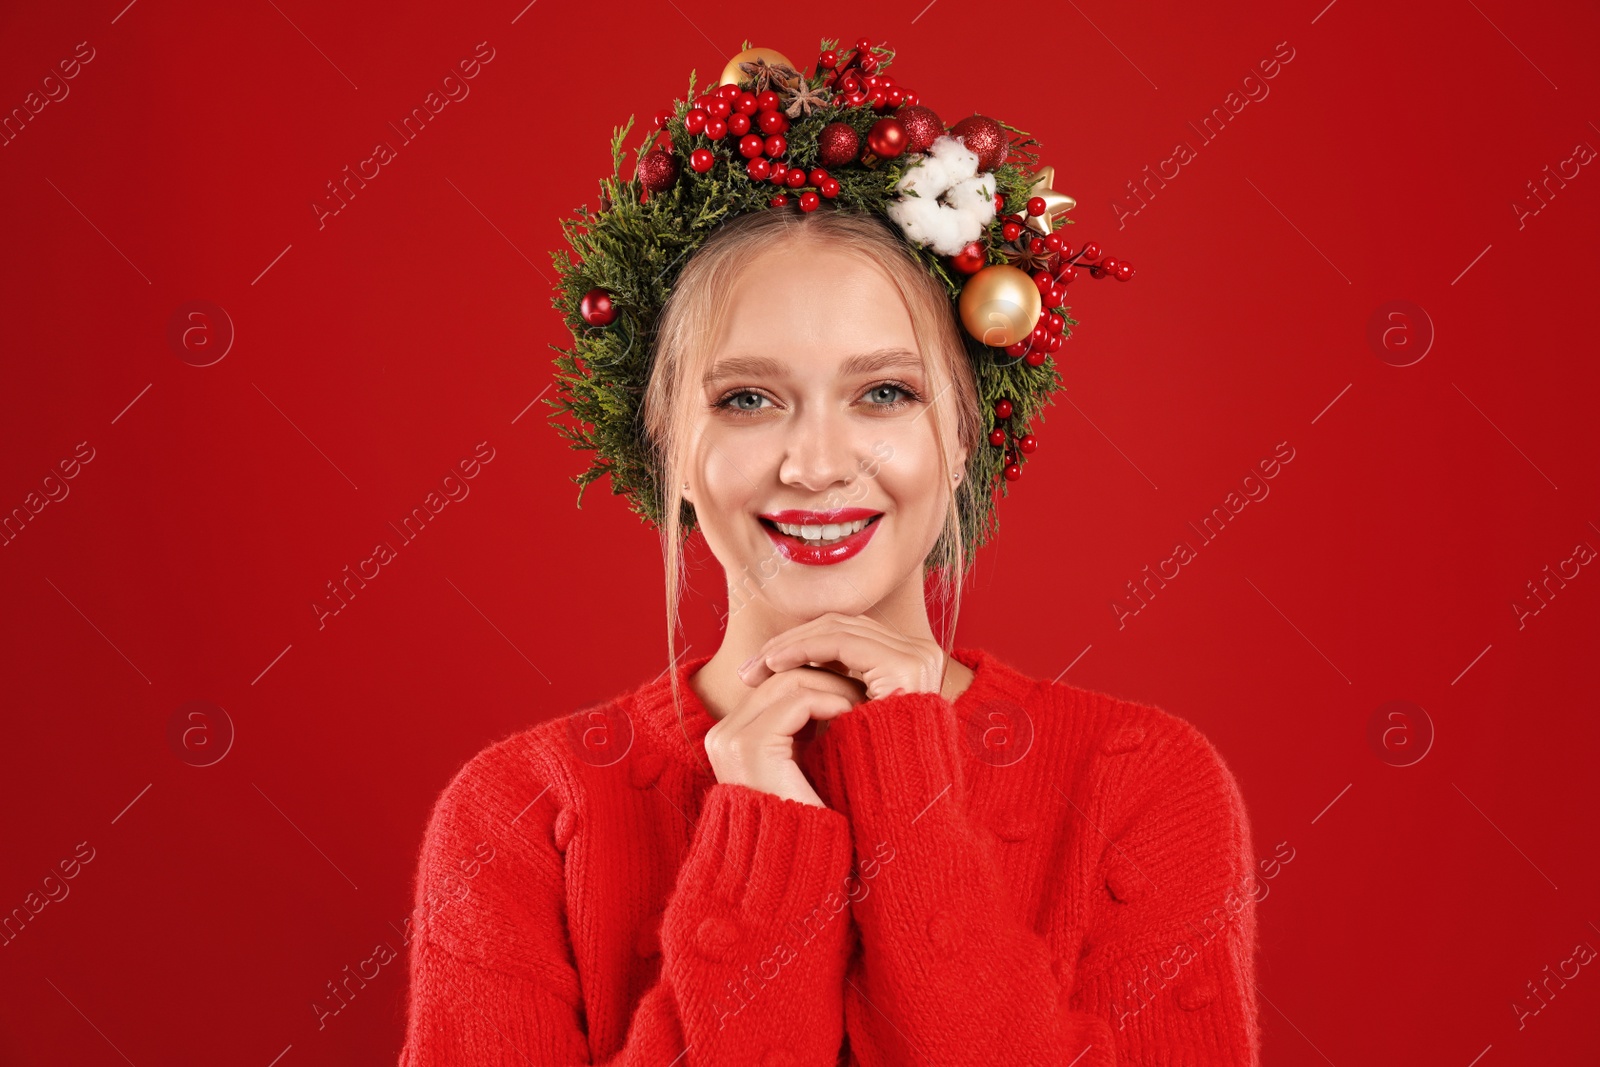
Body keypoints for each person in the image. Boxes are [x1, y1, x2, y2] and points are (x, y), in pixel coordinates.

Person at [399, 38, 1260, 1067]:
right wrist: (760, 847)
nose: (815, 463)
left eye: (883, 392)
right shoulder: (521, 815)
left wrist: (906, 789)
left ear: (961, 435)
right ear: (666, 443)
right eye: (747, 398)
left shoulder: (1144, 788)